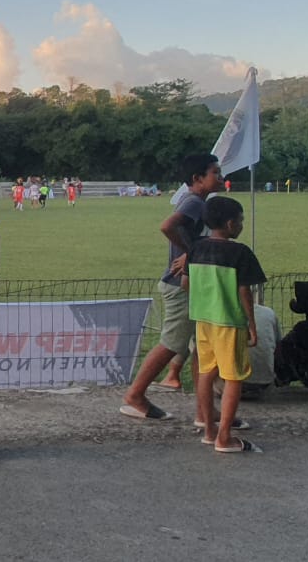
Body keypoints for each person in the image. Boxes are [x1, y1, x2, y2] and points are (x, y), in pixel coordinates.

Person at [120, 153, 223, 422]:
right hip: (180, 285)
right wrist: (192, 252)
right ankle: (135, 396)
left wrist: (192, 251)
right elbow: (167, 226)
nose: (221, 177)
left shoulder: (197, 202)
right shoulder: (194, 202)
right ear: (197, 178)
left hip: (193, 283)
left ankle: (205, 411)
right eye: (215, 172)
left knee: (201, 347)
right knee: (172, 343)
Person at [183, 196, 266, 453]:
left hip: (203, 320)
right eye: (240, 220)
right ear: (230, 224)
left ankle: (209, 431)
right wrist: (251, 324)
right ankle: (225, 437)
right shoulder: (240, 252)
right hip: (229, 322)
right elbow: (245, 292)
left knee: (206, 373)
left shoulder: (195, 248)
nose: (241, 225)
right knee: (233, 377)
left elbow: (185, 283)